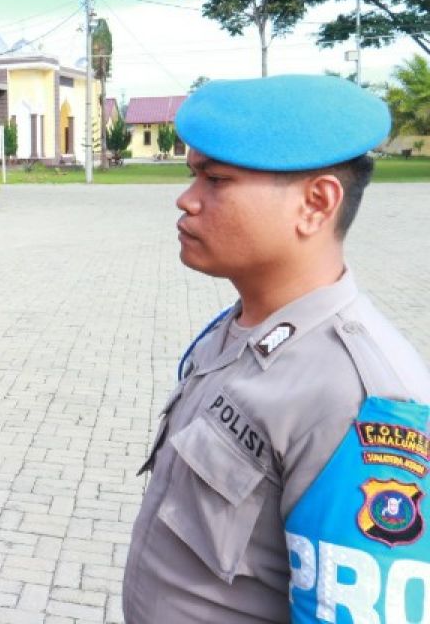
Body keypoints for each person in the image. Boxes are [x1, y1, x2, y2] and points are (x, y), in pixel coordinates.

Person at [123, 75, 430, 623]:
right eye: (192, 175)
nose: (186, 199)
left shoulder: (357, 397)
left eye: (215, 179)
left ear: (316, 203)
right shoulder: (241, 324)